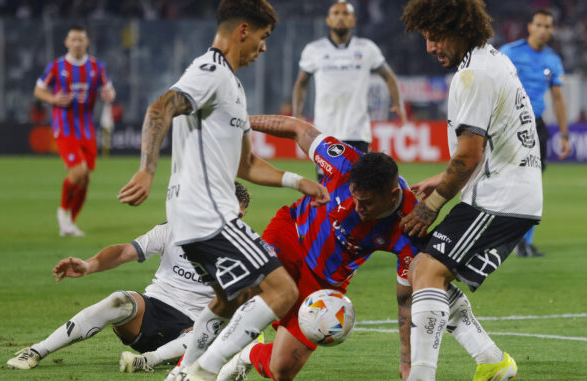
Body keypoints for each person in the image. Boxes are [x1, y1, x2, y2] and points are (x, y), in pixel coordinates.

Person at [117, 1, 329, 380]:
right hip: (209, 213)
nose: (263, 48)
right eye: (263, 39)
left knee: (231, 298)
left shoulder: (232, 85)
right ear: (243, 31)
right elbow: (160, 108)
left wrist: (296, 182)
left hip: (194, 218)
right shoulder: (209, 70)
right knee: (282, 291)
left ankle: (182, 374)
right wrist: (147, 169)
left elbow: (246, 166)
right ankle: (204, 373)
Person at [209, 114, 418, 381]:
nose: (357, 208)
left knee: (281, 370)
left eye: (366, 203)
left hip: (325, 282)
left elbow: (405, 298)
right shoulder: (344, 161)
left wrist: (407, 360)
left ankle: (248, 356)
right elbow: (297, 128)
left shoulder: (410, 225)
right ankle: (189, 366)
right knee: (243, 290)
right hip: (290, 235)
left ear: (391, 195)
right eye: (354, 197)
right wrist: (239, 121)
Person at [400, 0, 543, 380]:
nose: (430, 47)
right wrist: (440, 177)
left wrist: (431, 204)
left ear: (460, 28)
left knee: (427, 271)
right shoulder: (489, 60)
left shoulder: (474, 74)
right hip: (505, 191)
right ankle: (491, 360)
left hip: (499, 198)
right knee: (423, 271)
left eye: (435, 37)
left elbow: (469, 155)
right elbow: (485, 146)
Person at [6, 182, 250, 372]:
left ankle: (147, 361)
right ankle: (36, 351)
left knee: (212, 327)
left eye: (239, 217)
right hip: (152, 311)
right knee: (119, 300)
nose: (234, 222)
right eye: (230, 214)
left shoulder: (244, 250)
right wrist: (89, 265)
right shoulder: (176, 228)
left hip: (192, 326)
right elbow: (124, 252)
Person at [293, 0, 407, 179]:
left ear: (353, 20)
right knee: (327, 189)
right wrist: (297, 113)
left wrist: (397, 103)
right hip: (324, 132)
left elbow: (389, 76)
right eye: (336, 13)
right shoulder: (314, 50)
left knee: (358, 187)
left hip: (357, 131)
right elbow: (301, 83)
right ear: (328, 20)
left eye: (345, 14)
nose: (340, 17)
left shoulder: (367, 48)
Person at [500, 8, 571, 257]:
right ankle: (494, 236)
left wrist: (564, 134)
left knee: (533, 184)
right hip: (508, 123)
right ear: (530, 26)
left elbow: (558, 98)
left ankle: (524, 242)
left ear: (552, 30)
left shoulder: (553, 60)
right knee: (503, 180)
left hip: (536, 125)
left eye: (548, 26)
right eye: (539, 25)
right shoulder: (509, 52)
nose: (543, 30)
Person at [34, 25, 116, 237]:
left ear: (87, 42)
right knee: (78, 171)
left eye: (81, 39)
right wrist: (53, 99)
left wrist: (109, 95)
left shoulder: (97, 67)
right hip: (64, 126)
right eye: (73, 39)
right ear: (66, 43)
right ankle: (62, 212)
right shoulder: (56, 66)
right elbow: (38, 89)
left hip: (87, 128)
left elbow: (108, 89)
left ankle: (70, 222)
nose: (77, 43)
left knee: (86, 178)